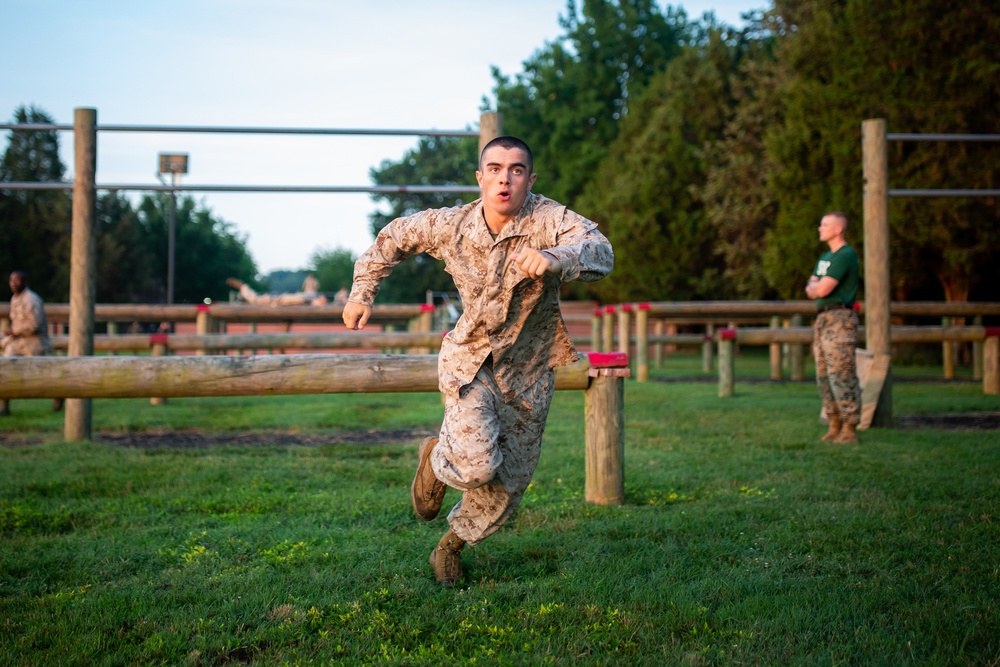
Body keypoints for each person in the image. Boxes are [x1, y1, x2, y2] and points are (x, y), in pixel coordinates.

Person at [343, 136, 614, 586]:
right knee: (475, 464)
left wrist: (555, 256)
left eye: (516, 169)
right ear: (480, 177)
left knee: (508, 484)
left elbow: (601, 250)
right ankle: (435, 462)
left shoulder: (550, 220)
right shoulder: (452, 224)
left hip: (529, 371)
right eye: (494, 169)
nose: (504, 178)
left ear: (530, 178)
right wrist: (361, 294)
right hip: (471, 360)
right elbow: (393, 238)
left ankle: (450, 547)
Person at [805, 211, 861, 444]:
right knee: (823, 375)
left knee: (841, 372)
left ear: (838, 229)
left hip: (840, 318)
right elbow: (811, 289)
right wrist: (816, 286)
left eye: (824, 224)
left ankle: (849, 427)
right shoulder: (825, 257)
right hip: (823, 319)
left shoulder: (845, 255)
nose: (820, 228)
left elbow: (822, 289)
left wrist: (817, 286)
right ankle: (833, 422)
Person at [1, 270, 63, 413]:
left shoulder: (32, 300)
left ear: (25, 282)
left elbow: (34, 325)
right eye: (11, 281)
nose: (12, 284)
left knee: (40, 375)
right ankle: (3, 406)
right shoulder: (15, 298)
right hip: (17, 343)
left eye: (16, 281)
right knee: (4, 369)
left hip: (34, 343)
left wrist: (14, 330)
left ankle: (58, 392)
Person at [226, 278, 328, 306]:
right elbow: (309, 299)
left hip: (282, 300)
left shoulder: (310, 297)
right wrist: (315, 301)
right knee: (256, 300)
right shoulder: (309, 297)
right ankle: (243, 288)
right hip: (280, 300)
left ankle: (243, 290)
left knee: (256, 300)